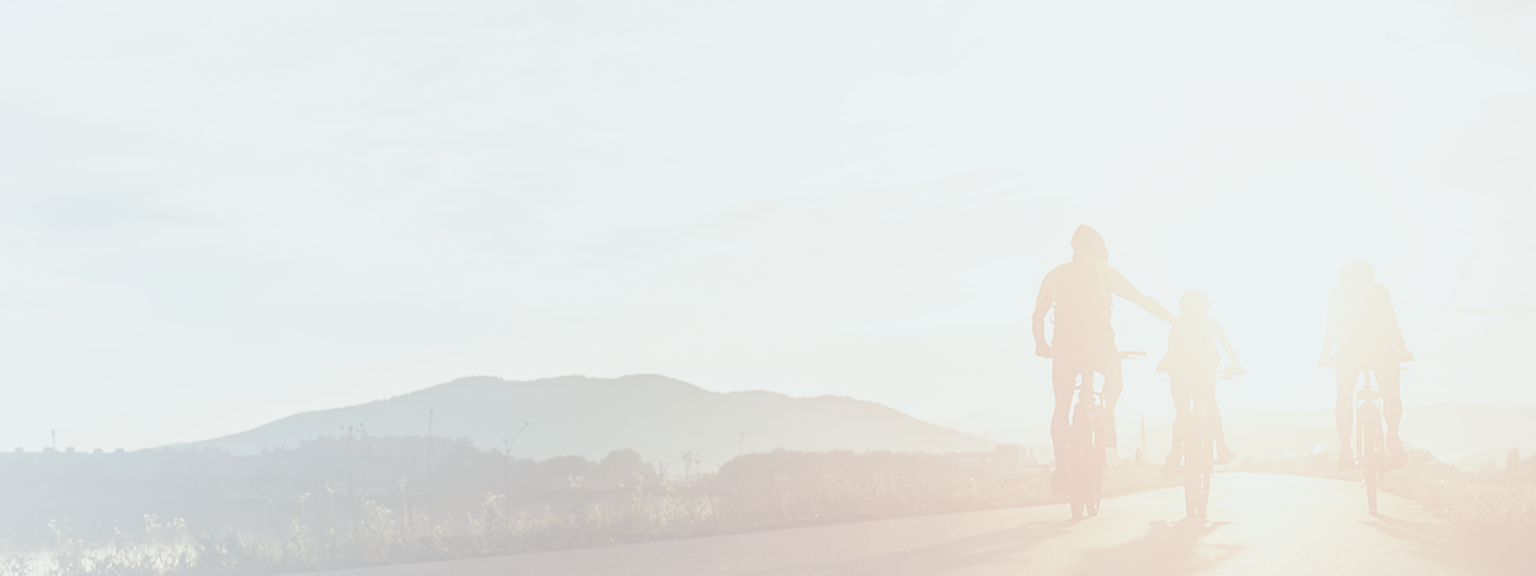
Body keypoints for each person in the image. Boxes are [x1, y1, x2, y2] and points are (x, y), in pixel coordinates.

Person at [1033, 225, 1176, 491]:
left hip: (1064, 349)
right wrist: (1174, 321)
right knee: (1113, 378)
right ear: (1099, 250)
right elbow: (1140, 299)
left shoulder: (1054, 276)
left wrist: (1041, 344)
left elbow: (1038, 315)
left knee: (1061, 406)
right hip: (1099, 345)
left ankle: (1061, 470)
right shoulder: (1103, 273)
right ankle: (1105, 416)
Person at [1319, 260, 1412, 470]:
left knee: (1344, 397)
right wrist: (1403, 350)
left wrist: (1326, 355)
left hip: (1349, 354)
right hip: (1383, 352)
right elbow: (1392, 325)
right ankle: (1393, 434)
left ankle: (1345, 451)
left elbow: (1330, 330)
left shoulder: (1338, 297)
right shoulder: (1380, 295)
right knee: (1391, 394)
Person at [1157, 291, 1244, 478]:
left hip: (1179, 373)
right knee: (1210, 404)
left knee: (1181, 414)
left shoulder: (1178, 323)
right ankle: (1221, 446)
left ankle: (1174, 456)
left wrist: (1163, 365)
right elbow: (1226, 346)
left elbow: (1171, 349)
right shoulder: (1211, 323)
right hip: (1205, 372)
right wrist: (1236, 365)